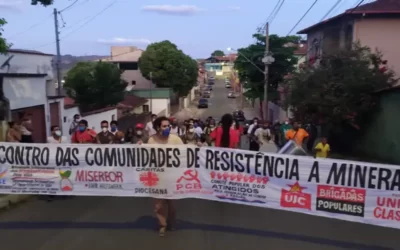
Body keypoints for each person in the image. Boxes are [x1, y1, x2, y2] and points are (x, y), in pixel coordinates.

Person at [147, 116, 183, 236]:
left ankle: (172, 222)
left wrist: (198, 148)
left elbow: (186, 153)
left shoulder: (176, 139)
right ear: (158, 127)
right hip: (157, 177)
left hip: (172, 177)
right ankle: (162, 225)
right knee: (158, 205)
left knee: (171, 204)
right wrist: (139, 146)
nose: (167, 128)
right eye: (164, 126)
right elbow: (146, 156)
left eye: (168, 126)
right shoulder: (151, 140)